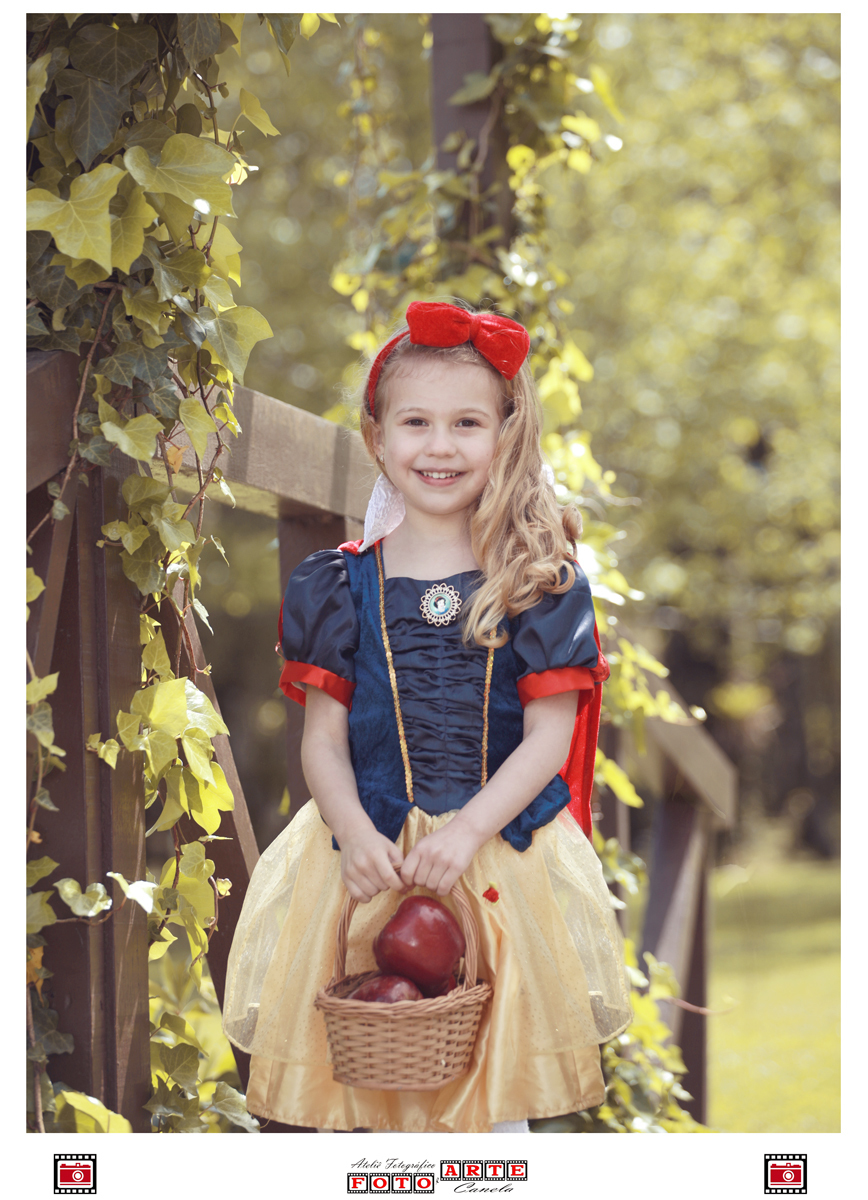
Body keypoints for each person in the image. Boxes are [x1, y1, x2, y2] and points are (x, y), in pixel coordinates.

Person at [222, 301, 631, 1133]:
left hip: (494, 852)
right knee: (366, 1076)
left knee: (491, 1093)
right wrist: (352, 833)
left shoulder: (539, 583)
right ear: (376, 438)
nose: (439, 446)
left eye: (466, 423)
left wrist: (466, 831)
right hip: (369, 860)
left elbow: (549, 739)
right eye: (416, 422)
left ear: (505, 434)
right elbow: (323, 742)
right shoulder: (336, 586)